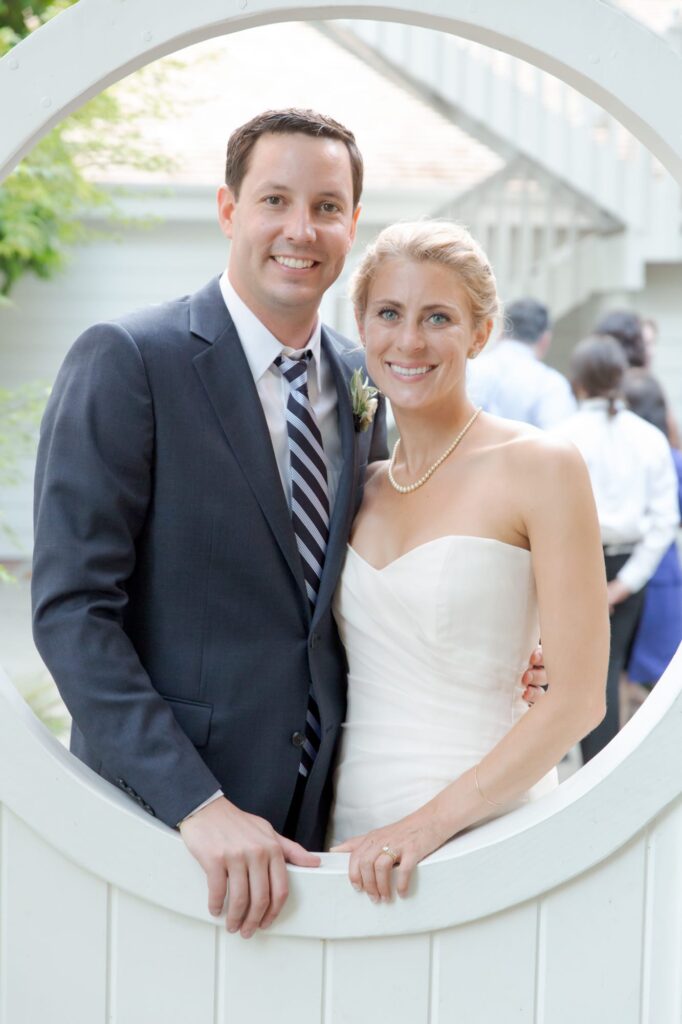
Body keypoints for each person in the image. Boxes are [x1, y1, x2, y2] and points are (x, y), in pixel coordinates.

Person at [30, 109, 548, 938]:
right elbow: (72, 612)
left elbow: (387, 563)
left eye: (328, 206)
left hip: (332, 821)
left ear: (351, 224)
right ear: (229, 209)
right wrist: (197, 804)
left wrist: (517, 638)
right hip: (169, 824)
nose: (300, 230)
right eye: (275, 199)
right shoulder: (130, 359)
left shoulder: (365, 377)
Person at [328, 222, 609, 901]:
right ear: (362, 327)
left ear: (480, 334)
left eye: (439, 318)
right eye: (389, 314)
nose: (410, 341)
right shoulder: (355, 486)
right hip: (345, 838)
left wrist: (425, 829)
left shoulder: (541, 466)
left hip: (486, 833)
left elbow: (576, 700)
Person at [552, 337, 679, 763]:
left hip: (570, 562)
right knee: (609, 670)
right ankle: (599, 771)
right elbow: (664, 522)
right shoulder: (648, 438)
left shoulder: (560, 436)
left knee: (560, 669)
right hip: (629, 562)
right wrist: (625, 584)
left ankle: (556, 766)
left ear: (578, 382)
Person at [623, 369, 682, 689]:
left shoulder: (618, 456)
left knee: (616, 676)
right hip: (661, 577)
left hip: (616, 576)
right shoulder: (671, 458)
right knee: (655, 688)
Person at [466, 297, 576, 428]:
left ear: (501, 330)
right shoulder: (550, 383)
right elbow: (560, 438)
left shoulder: (468, 370)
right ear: (545, 339)